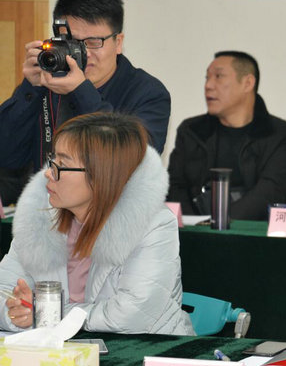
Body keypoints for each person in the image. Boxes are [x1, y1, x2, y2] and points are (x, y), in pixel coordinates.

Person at [0, 112, 194, 335]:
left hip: (143, 351)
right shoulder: (40, 217)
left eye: (62, 164)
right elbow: (4, 290)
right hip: (61, 350)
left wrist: (47, 313)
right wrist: (17, 314)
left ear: (101, 176)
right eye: (53, 160)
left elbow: (131, 315)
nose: (49, 173)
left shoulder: (152, 223)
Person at [0, 0, 170, 205]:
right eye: (72, 43)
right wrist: (29, 89)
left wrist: (81, 92)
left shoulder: (148, 92)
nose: (83, 53)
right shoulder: (46, 84)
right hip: (46, 214)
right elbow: (7, 157)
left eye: (93, 42)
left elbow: (135, 163)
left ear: (118, 42)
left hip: (111, 216)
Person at [167, 51, 286, 220]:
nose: (208, 85)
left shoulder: (279, 134)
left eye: (219, 76)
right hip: (194, 230)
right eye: (207, 78)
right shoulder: (192, 131)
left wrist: (220, 223)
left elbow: (272, 192)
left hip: (251, 233)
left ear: (247, 83)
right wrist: (196, 225)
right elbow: (175, 187)